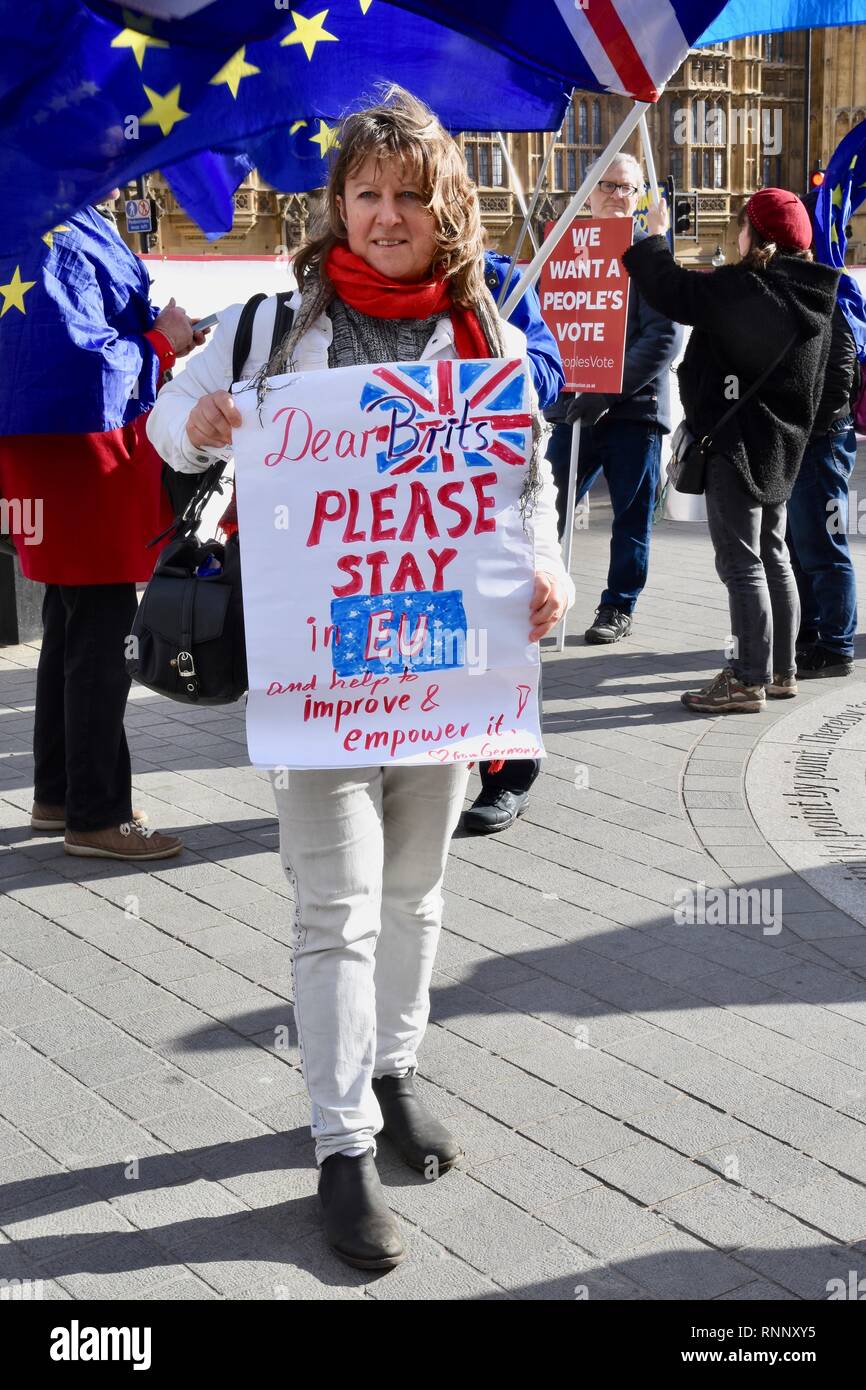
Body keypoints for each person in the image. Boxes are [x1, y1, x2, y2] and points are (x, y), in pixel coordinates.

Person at [147, 86, 574, 1271]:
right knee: (333, 906)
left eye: (407, 196)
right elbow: (163, 424)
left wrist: (544, 577)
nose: (384, 216)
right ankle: (338, 1145)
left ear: (448, 208)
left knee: (417, 889)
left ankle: (391, 1071)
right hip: (319, 674)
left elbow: (527, 489)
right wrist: (208, 418)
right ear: (336, 202)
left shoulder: (487, 336)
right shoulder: (275, 323)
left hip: (440, 673)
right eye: (364, 193)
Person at [0, 200, 204, 859]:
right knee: (102, 627)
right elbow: (78, 358)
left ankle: (59, 793)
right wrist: (160, 342)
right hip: (83, 450)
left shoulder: (52, 205)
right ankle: (97, 813)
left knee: (70, 619)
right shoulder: (54, 218)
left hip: (62, 448)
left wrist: (158, 336)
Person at [622, 188, 838, 712]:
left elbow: (671, 289)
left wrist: (651, 235)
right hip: (783, 448)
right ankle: (782, 671)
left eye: (742, 227)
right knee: (774, 557)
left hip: (739, 447)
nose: (736, 237)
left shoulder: (746, 289)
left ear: (758, 238)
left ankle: (746, 680)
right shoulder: (814, 298)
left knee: (741, 565)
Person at [544, 154, 682, 646]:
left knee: (630, 519)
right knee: (546, 510)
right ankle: (539, 601)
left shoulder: (649, 254)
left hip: (633, 411)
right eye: (608, 186)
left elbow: (664, 339)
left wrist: (607, 390)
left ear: (642, 196)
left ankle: (617, 607)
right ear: (588, 193)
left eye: (628, 188)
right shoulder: (565, 252)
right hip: (572, 409)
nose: (617, 196)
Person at [463, 252, 564, 834]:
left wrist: (496, 363)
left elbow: (548, 375)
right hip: (388, 518)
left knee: (497, 628)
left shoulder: (499, 282)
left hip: (481, 497)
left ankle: (507, 774)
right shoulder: (332, 282)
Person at [785, 223, 859, 677]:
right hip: (803, 439)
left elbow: (840, 372)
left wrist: (807, 424)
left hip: (823, 439)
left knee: (824, 547)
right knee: (799, 544)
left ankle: (837, 646)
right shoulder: (795, 291)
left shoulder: (825, 294)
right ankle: (810, 632)